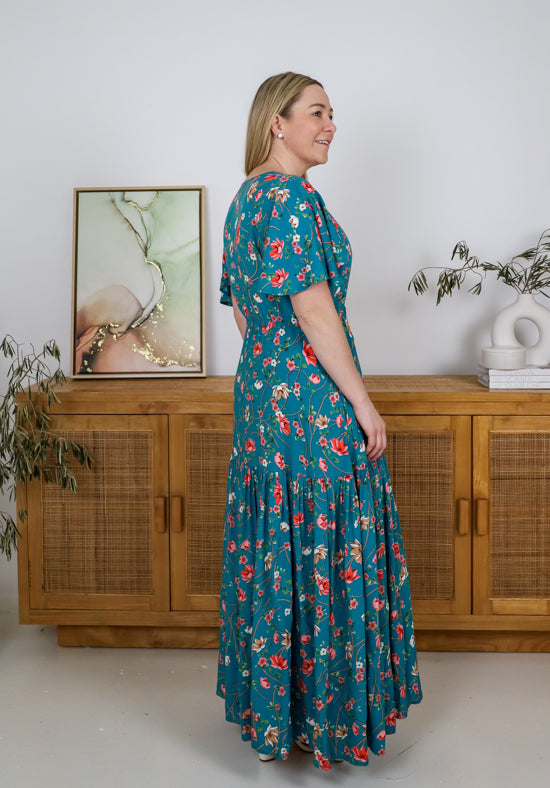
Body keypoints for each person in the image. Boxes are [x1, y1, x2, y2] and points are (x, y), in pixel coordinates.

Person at [217, 72, 422, 771]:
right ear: (277, 122)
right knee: (326, 550)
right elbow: (310, 308)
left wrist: (273, 371)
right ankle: (323, 720)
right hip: (312, 408)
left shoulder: (245, 199)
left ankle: (279, 717)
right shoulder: (293, 198)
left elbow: (246, 314)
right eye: (317, 112)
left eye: (333, 113)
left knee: (279, 546)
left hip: (260, 402)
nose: (331, 124)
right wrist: (361, 401)